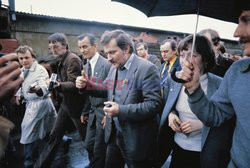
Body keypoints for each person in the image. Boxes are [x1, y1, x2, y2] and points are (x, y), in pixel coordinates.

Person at [76, 29, 162, 168]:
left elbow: (154, 105)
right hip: (114, 135)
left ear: (126, 48)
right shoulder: (114, 67)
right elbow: (106, 88)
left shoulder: (147, 69)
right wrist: (87, 85)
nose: (108, 58)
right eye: (106, 53)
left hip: (136, 139)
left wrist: (120, 110)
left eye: (112, 52)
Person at [177, 10, 250, 168]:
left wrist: (200, 125)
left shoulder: (220, 79)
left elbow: (229, 124)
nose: (236, 32)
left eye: (247, 20)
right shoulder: (238, 71)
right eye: (182, 54)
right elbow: (216, 115)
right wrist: (194, 89)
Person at [157, 35, 233, 168]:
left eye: (193, 55)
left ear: (205, 59)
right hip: (177, 147)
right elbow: (167, 105)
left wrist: (202, 124)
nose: (185, 61)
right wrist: (171, 115)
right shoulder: (173, 79)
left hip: (205, 153)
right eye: (182, 55)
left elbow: (227, 119)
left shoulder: (220, 84)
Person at [35, 33, 88, 168]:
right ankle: (41, 165)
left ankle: (97, 162)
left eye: (56, 45)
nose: (52, 47)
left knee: (87, 139)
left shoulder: (72, 60)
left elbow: (74, 84)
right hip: (66, 104)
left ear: (64, 45)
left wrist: (58, 85)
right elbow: (55, 79)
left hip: (77, 106)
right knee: (55, 135)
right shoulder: (59, 59)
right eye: (50, 45)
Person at [15, 45, 57, 168]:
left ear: (33, 57)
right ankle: (64, 142)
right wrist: (19, 95)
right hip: (32, 105)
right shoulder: (23, 70)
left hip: (40, 103)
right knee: (48, 130)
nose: (24, 61)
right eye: (21, 58)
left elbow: (45, 86)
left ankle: (28, 162)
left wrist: (38, 90)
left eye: (26, 58)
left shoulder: (40, 70)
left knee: (27, 130)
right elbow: (23, 86)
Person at [77, 33, 111, 168]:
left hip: (104, 113)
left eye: (85, 46)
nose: (82, 50)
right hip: (92, 113)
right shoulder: (85, 67)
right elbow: (88, 94)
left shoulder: (107, 65)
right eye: (80, 47)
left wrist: (108, 114)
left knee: (100, 149)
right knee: (88, 145)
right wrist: (84, 111)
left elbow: (111, 91)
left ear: (95, 46)